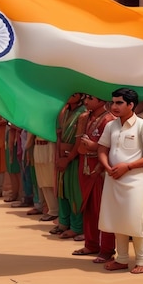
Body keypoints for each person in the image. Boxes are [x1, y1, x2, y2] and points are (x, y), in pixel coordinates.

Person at [97, 88, 143, 274]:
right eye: (113, 102)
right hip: (113, 179)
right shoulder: (111, 126)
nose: (114, 106)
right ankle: (122, 259)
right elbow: (102, 149)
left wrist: (128, 166)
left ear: (131, 105)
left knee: (136, 220)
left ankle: (142, 260)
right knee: (118, 220)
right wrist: (108, 167)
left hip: (134, 180)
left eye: (119, 103)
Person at [75, 95, 115, 262]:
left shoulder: (109, 120)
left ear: (100, 100)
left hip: (100, 168)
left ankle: (106, 249)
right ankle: (91, 244)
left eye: (90, 98)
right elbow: (79, 146)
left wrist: (94, 147)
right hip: (85, 164)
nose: (86, 102)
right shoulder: (85, 117)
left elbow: (112, 146)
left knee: (102, 209)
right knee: (88, 207)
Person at [53, 93, 85, 238]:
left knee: (74, 193)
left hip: (74, 157)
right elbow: (58, 135)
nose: (70, 96)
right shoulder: (64, 111)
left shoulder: (83, 112)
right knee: (62, 191)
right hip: (62, 155)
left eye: (74, 94)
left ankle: (77, 227)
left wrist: (68, 158)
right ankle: (63, 223)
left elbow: (79, 141)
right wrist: (59, 157)